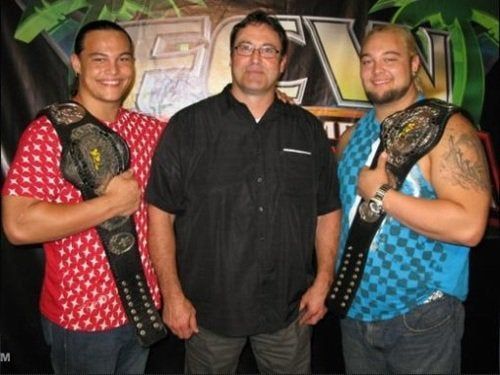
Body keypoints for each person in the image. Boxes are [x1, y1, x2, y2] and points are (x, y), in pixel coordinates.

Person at [146, 10, 341, 374]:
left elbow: (327, 210)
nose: (255, 58)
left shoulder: (307, 131)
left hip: (288, 311)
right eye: (245, 48)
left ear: (282, 63)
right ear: (232, 56)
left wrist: (323, 281)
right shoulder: (188, 127)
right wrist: (172, 296)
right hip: (209, 314)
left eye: (267, 50)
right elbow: (160, 213)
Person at [2, 20, 166, 374]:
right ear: (76, 63)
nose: (113, 70)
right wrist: (110, 205)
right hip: (81, 322)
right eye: (99, 59)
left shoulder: (146, 129)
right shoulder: (48, 134)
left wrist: (258, 99)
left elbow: (201, 130)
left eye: (123, 59)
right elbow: (18, 225)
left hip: (140, 308)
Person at [334, 24, 491, 374]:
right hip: (355, 316)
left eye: (390, 59)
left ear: (414, 64)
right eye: (368, 61)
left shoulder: (448, 129)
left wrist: (382, 194)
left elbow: (469, 226)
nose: (376, 70)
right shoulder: (353, 137)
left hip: (421, 318)